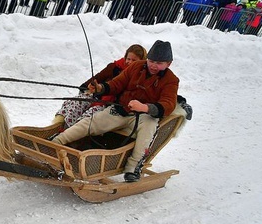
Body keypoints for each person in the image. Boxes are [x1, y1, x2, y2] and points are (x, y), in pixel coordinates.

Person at [52, 40, 179, 183]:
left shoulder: (171, 80)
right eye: (151, 61)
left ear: (168, 64)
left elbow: (168, 103)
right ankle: (56, 142)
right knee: (91, 122)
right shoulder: (136, 67)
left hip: (145, 116)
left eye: (159, 63)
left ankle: (133, 166)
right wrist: (101, 88)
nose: (154, 66)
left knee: (148, 129)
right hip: (122, 110)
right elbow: (117, 83)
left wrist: (145, 107)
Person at [53, 44, 147, 128]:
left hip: (109, 104)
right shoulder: (114, 67)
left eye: (134, 60)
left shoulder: (140, 76)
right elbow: (99, 76)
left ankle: (74, 134)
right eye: (128, 59)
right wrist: (86, 86)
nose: (129, 62)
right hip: (96, 95)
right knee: (74, 102)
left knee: (90, 114)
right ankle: (57, 127)